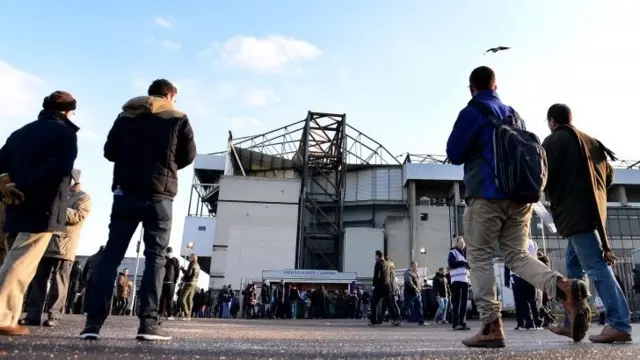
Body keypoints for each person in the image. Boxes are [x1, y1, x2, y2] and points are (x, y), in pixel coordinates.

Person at [446, 66, 591, 348]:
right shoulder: (515, 115)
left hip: (486, 195)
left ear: (472, 88)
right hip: (521, 196)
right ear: (496, 86)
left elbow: (453, 152)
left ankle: (491, 325)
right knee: (517, 256)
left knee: (479, 256)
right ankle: (563, 286)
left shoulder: (472, 112)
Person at [80, 79, 197, 341]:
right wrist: (165, 165)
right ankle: (148, 324)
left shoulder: (126, 116)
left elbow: (109, 151)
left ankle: (92, 323)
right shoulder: (178, 117)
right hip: (159, 194)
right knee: (156, 257)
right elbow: (188, 156)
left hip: (125, 192)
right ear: (170, 95)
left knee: (112, 255)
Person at [542, 103, 632, 344]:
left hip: (575, 216)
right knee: (573, 267)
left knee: (597, 268)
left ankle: (619, 323)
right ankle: (573, 322)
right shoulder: (591, 142)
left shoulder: (553, 142)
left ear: (552, 122)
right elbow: (609, 178)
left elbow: (542, 177)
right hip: (592, 216)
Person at [0, 91, 79, 336]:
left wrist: (8, 184)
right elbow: (59, 170)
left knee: (12, 258)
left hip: (14, 204)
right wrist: (27, 188)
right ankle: (3, 315)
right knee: (20, 264)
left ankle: (9, 314)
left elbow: (2, 163)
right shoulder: (65, 134)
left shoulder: (20, 133)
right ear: (68, 111)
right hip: (42, 206)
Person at [21, 173, 91, 327]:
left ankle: (54, 315)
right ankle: (33, 315)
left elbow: (78, 216)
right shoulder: (55, 193)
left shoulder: (83, 197)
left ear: (74, 180)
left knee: (59, 283)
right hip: (44, 242)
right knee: (38, 281)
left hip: (64, 246)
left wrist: (56, 207)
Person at [448, 236, 471, 331]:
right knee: (457, 303)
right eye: (460, 242)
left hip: (465, 281)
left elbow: (467, 267)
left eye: (463, 242)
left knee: (464, 304)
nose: (463, 244)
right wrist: (464, 263)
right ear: (456, 243)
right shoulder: (452, 252)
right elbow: (452, 264)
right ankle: (455, 323)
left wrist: (468, 265)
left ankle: (462, 322)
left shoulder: (464, 254)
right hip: (457, 281)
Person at [161, 247, 180, 320]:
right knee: (170, 299)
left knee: (162, 298)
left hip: (163, 281)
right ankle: (169, 315)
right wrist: (175, 281)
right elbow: (177, 271)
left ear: (166, 251)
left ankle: (160, 313)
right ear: (172, 251)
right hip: (171, 282)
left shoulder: (163, 259)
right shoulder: (175, 260)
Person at [179, 254, 200, 320]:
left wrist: (182, 270)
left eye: (190, 257)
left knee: (182, 298)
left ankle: (186, 314)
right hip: (194, 283)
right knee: (189, 299)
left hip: (189, 283)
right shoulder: (198, 265)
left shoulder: (191, 264)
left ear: (192, 258)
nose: (189, 258)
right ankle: (189, 315)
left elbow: (188, 274)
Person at [403, 261, 425, 326]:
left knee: (419, 306)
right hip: (410, 293)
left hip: (416, 293)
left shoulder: (414, 273)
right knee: (407, 306)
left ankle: (421, 321)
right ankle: (399, 318)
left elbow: (416, 282)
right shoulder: (408, 273)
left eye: (417, 266)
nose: (417, 267)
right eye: (415, 265)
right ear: (411, 266)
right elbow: (409, 282)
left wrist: (419, 288)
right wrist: (415, 288)